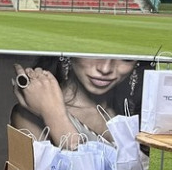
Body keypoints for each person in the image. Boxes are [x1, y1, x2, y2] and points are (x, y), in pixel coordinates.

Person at [10, 56, 138, 150]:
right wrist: (54, 116)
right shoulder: (29, 116)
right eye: (94, 52)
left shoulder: (134, 110)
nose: (105, 68)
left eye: (125, 58)